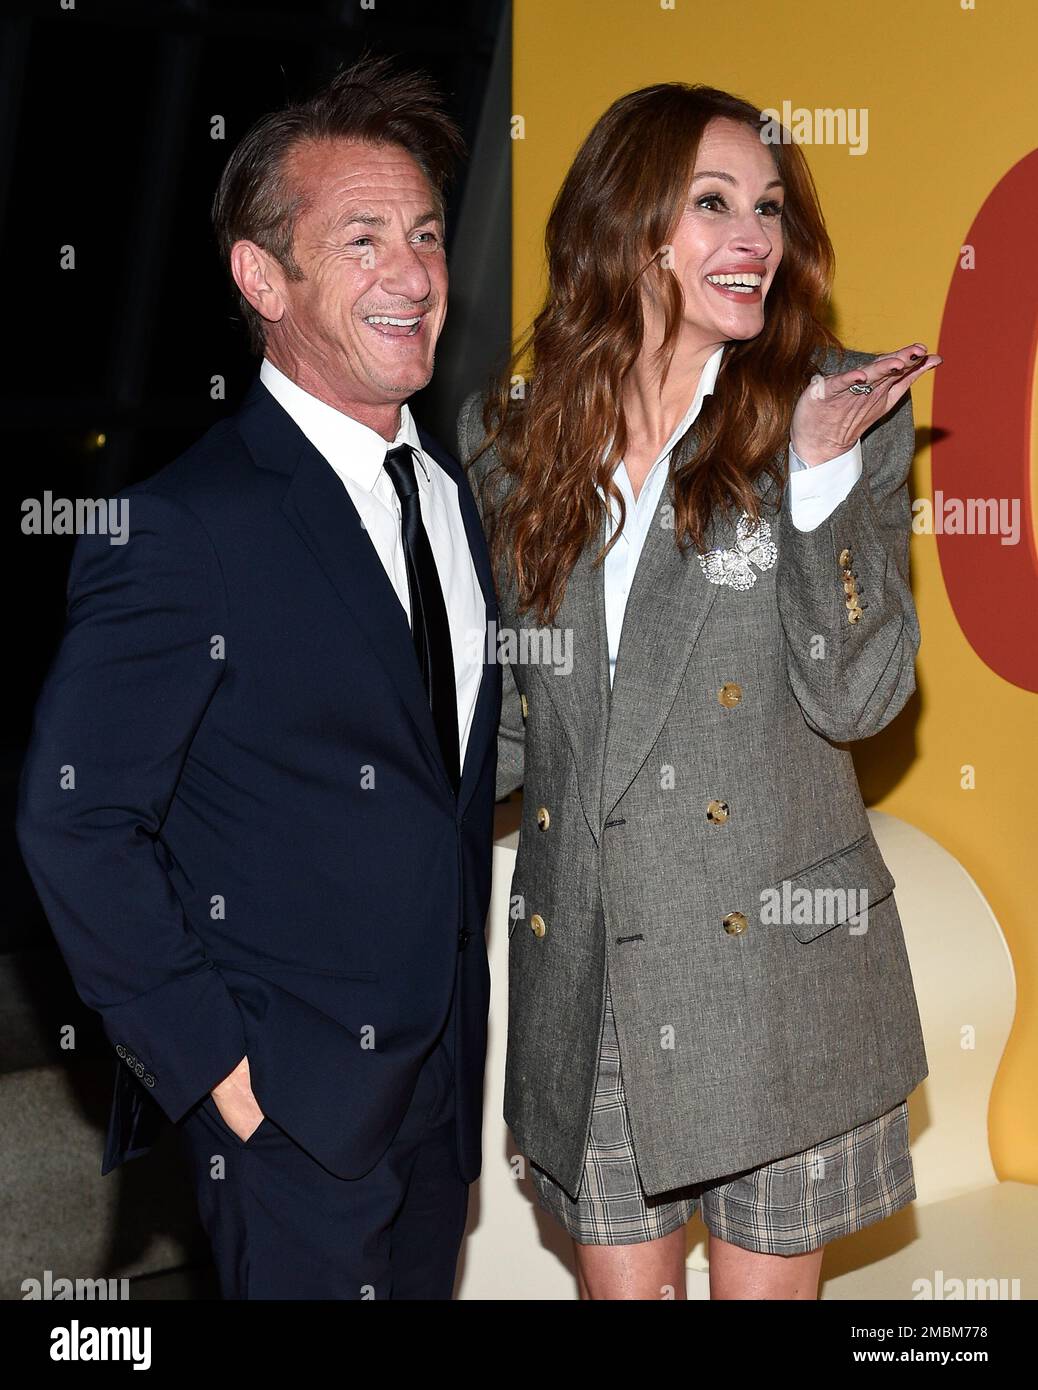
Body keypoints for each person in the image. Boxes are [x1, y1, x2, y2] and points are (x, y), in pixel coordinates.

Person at [17, 57, 502, 1300]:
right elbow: (74, 817)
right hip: (289, 1118)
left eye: (427, 234)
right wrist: (216, 1070)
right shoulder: (187, 530)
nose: (413, 272)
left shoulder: (448, 494)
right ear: (262, 276)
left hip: (441, 1099)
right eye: (362, 239)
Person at [459, 82, 937, 1301]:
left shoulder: (831, 409)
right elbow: (517, 715)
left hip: (776, 975)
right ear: (623, 228)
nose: (754, 238)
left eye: (769, 208)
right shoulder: (513, 442)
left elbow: (863, 696)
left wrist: (820, 478)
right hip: (597, 975)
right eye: (712, 203)